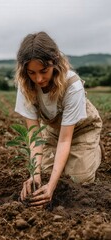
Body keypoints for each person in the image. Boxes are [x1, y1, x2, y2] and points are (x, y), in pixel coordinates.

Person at [15, 31, 102, 206]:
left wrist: (51, 187)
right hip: (54, 129)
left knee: (78, 180)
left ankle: (94, 151)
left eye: (44, 71)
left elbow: (65, 139)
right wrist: (35, 174)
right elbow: (34, 135)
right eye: (32, 72)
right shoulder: (26, 85)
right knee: (45, 176)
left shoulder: (72, 85)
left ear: (54, 62)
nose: (38, 79)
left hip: (82, 128)